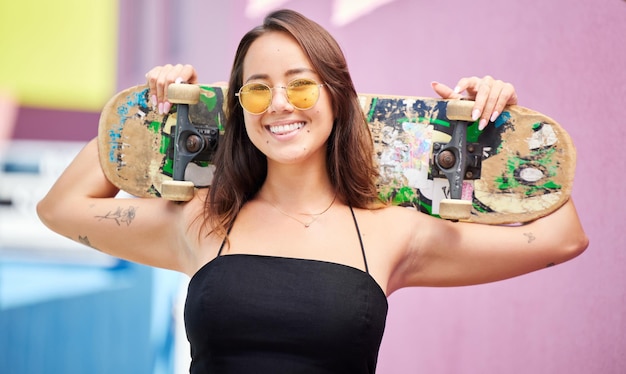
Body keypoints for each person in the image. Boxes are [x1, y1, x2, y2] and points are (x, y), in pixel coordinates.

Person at [37, 9, 588, 373]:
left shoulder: (393, 231)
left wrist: (508, 132)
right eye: (257, 90)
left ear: (337, 96)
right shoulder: (202, 222)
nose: (279, 104)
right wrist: (145, 114)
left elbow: (561, 239)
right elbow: (60, 208)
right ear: (237, 108)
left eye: (300, 84)